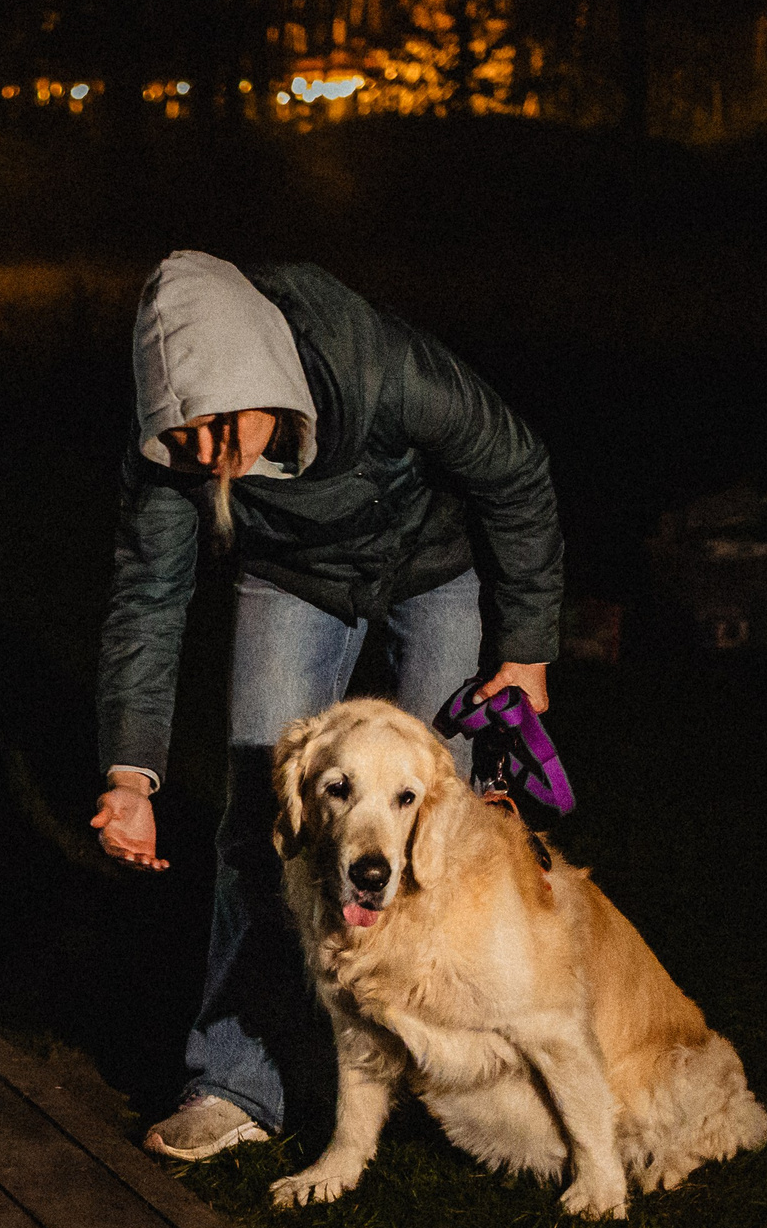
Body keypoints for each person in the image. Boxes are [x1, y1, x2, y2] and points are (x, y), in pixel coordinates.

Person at [90, 251, 563, 1162]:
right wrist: (130, 771)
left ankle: (445, 1069)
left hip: (435, 569)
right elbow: (148, 601)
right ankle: (234, 1082)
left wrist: (527, 649)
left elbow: (516, 470)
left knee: (437, 827)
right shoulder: (172, 451)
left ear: (263, 377)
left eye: (220, 424)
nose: (203, 454)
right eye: (181, 434)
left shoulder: (378, 367)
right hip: (292, 580)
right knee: (261, 821)